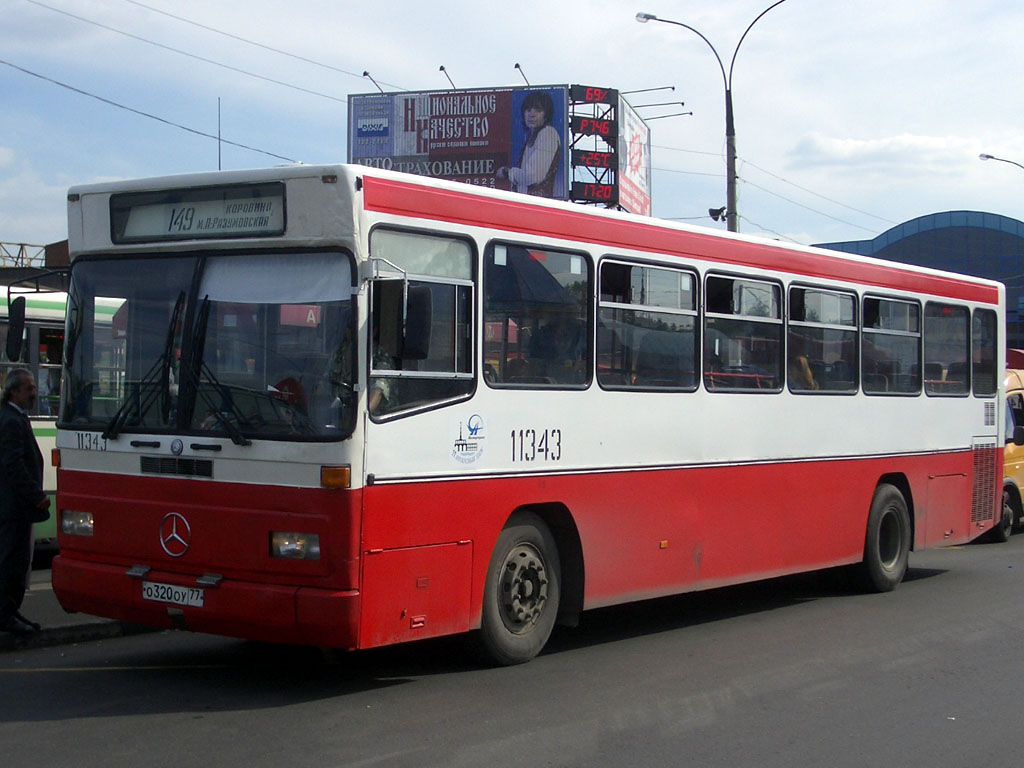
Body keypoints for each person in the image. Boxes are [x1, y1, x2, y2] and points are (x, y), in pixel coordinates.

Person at [0, 368, 50, 635]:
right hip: (15, 506)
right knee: (13, 561)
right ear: (14, 391)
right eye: (28, 389)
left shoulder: (15, 416)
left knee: (17, 561)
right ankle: (6, 615)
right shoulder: (10, 420)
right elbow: (13, 465)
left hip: (15, 504)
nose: (34, 393)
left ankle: (11, 610)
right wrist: (36, 495)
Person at [497, 91, 562, 197]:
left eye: (538, 110)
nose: (532, 114)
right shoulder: (532, 137)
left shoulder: (548, 134)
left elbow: (533, 176)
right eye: (528, 110)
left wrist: (507, 172)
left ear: (546, 115)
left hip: (538, 204)